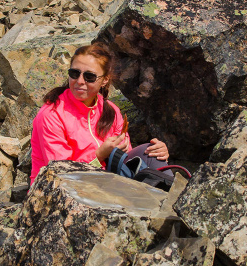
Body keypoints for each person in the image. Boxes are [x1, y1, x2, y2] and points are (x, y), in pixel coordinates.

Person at [30, 43, 170, 184]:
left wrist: (157, 151)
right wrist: (99, 155)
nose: (79, 81)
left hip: (103, 181)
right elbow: (60, 174)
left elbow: (126, 156)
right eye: (74, 73)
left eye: (89, 77)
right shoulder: (51, 115)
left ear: (105, 80)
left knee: (150, 153)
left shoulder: (111, 111)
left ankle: (173, 201)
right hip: (56, 190)